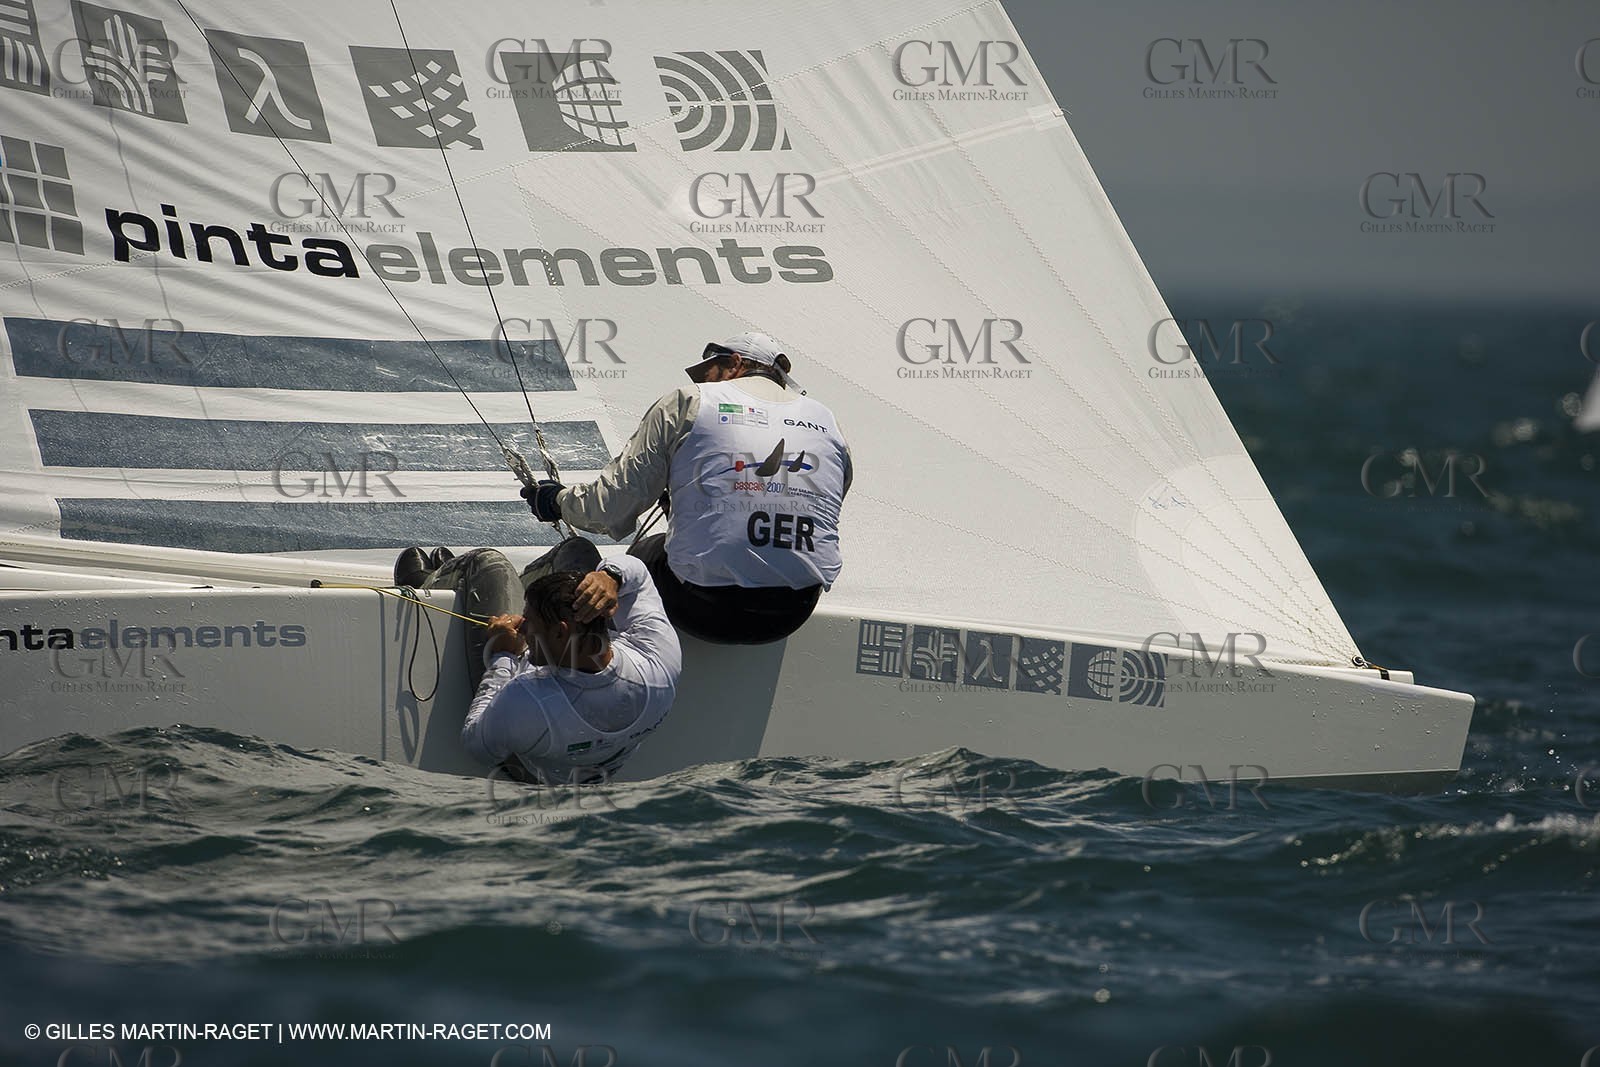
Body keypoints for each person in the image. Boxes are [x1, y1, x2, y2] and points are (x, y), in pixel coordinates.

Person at [522, 331, 852, 645]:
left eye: (707, 371)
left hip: (702, 609)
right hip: (792, 613)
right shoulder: (827, 421)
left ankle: (578, 645)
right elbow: (811, 500)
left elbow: (609, 508)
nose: (702, 382)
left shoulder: (689, 401)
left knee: (630, 560)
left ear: (734, 363)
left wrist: (556, 500)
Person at [394, 540, 681, 785]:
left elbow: (478, 746)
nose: (521, 627)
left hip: (534, 769)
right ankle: (539, 597)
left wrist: (503, 656)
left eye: (530, 623)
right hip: (596, 761)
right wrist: (610, 576)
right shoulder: (657, 656)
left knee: (488, 564)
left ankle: (426, 581)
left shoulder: (525, 699)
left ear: (560, 631)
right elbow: (639, 574)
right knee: (579, 550)